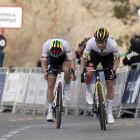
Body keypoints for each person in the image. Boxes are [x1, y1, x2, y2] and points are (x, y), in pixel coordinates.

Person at [80, 27, 120, 124]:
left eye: (103, 42)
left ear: (107, 40)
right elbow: (83, 59)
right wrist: (82, 73)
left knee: (109, 83)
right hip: (95, 56)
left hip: (108, 57)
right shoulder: (90, 43)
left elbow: (117, 59)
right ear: (95, 40)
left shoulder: (113, 44)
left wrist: (113, 71)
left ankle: (109, 113)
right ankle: (89, 91)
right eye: (98, 42)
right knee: (89, 74)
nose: (100, 44)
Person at [41, 39, 77, 122]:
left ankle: (66, 88)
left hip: (63, 58)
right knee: (50, 84)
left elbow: (71, 60)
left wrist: (73, 72)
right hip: (52, 60)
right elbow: (43, 62)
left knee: (67, 70)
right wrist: (45, 72)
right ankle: (50, 110)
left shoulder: (65, 45)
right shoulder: (46, 45)